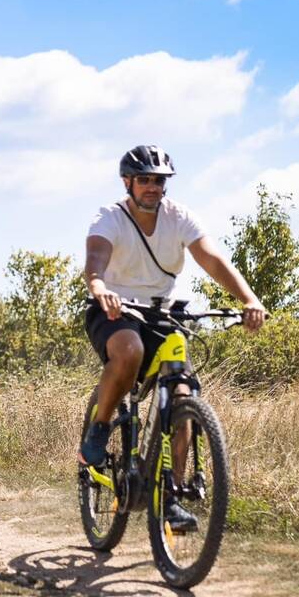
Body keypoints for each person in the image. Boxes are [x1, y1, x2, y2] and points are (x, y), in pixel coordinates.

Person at [80, 145, 266, 530]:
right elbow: (95, 264)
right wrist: (100, 288)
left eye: (159, 180)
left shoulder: (179, 217)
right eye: (145, 179)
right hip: (113, 309)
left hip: (163, 312)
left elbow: (212, 259)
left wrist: (248, 299)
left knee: (182, 396)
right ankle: (99, 426)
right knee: (128, 351)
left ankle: (170, 495)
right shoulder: (110, 218)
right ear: (127, 182)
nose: (152, 187)